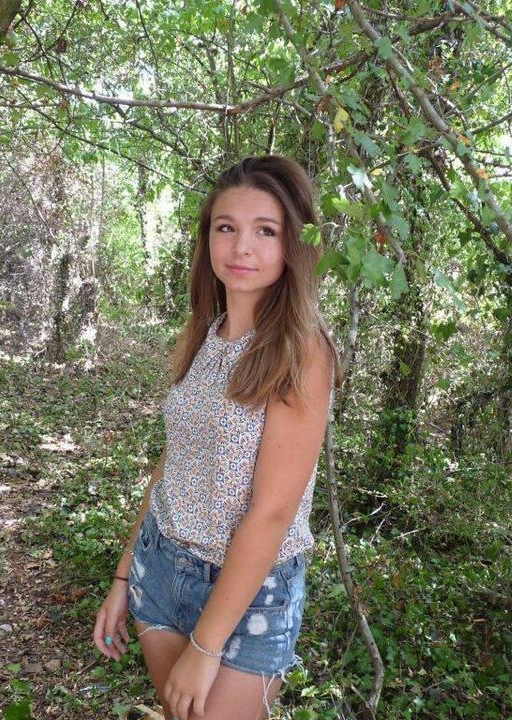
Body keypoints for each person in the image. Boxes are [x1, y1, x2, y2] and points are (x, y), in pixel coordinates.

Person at [93, 156, 339, 720]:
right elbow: (173, 464)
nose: (241, 247)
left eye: (265, 231)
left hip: (249, 596)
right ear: (207, 238)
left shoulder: (301, 352)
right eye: (226, 227)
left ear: (293, 244)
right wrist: (124, 575)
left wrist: (205, 649)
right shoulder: (205, 332)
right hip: (161, 567)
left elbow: (272, 513)